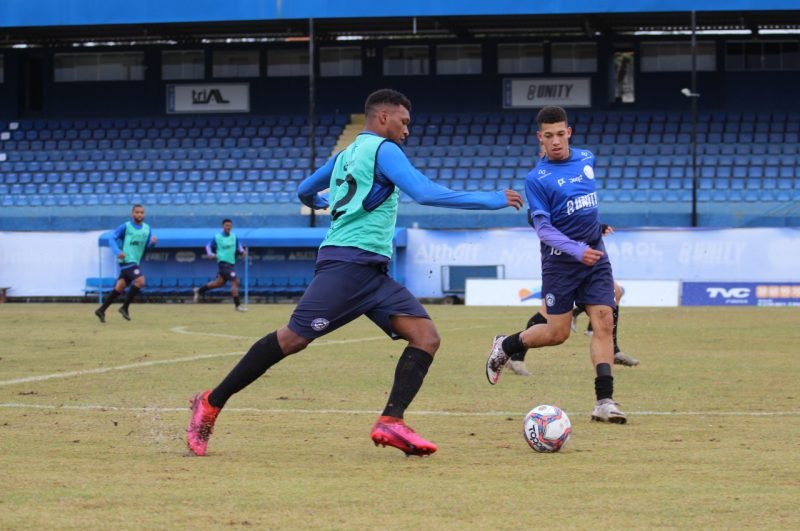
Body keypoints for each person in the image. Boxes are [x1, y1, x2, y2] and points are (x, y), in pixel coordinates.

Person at [185, 88, 523, 457]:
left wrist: (320, 201)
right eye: (404, 122)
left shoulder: (345, 154)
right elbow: (424, 193)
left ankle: (391, 421)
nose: (407, 130)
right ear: (382, 118)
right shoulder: (384, 149)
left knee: (425, 336)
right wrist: (492, 199)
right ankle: (211, 401)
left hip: (372, 272)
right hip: (346, 264)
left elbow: (303, 190)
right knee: (292, 339)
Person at [485, 105, 626, 424]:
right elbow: (545, 229)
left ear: (569, 133)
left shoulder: (587, 158)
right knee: (557, 333)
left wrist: (598, 226)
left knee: (604, 321)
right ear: (540, 139)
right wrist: (576, 249)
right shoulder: (537, 179)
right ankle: (506, 344)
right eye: (549, 136)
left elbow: (581, 204)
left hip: (595, 257)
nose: (556, 141)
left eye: (561, 134)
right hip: (561, 264)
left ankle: (604, 401)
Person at [506, 225, 639, 376]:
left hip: (584, 257)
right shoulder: (543, 204)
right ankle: (512, 352)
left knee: (616, 292)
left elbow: (580, 216)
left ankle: (610, 347)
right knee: (546, 314)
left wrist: (596, 228)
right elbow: (538, 220)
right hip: (560, 260)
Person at [94, 204, 157, 323]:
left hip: (135, 260)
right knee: (140, 280)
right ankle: (124, 307)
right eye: (137, 212)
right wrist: (117, 251)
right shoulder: (126, 226)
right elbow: (111, 238)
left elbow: (147, 247)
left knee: (120, 287)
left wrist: (153, 243)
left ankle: (101, 310)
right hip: (126, 260)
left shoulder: (147, 229)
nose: (139, 214)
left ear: (144, 214)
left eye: (141, 212)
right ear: (132, 214)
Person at [193, 219, 248, 312]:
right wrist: (210, 254)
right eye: (226, 225)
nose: (228, 227)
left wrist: (242, 251)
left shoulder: (234, 236)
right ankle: (237, 305)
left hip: (231, 263)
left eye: (230, 226)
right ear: (222, 226)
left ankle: (199, 290)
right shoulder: (217, 237)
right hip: (223, 263)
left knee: (218, 283)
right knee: (235, 281)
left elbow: (239, 245)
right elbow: (208, 246)